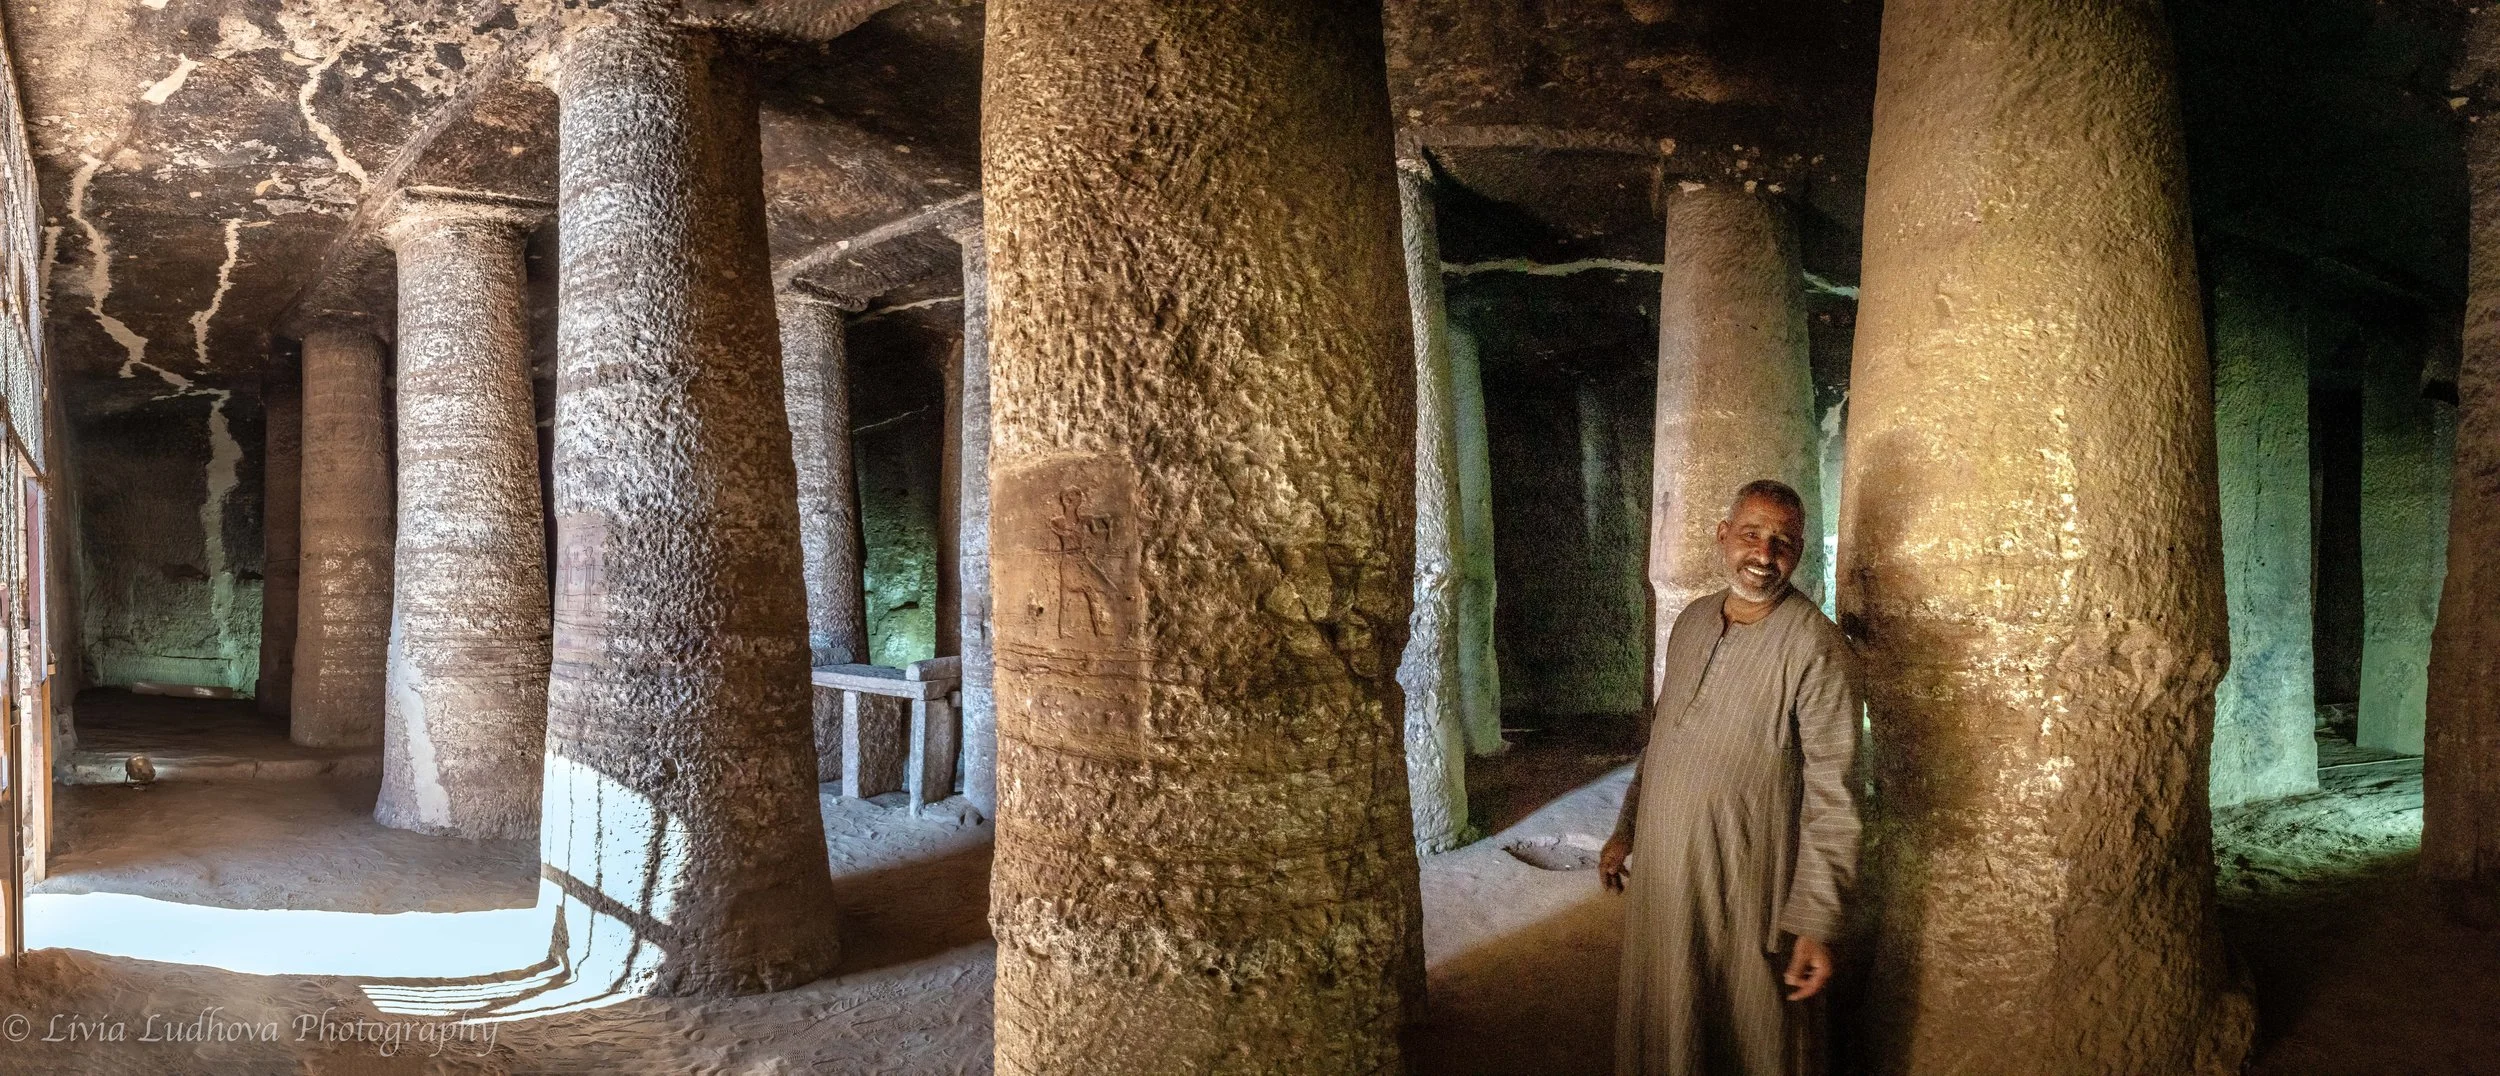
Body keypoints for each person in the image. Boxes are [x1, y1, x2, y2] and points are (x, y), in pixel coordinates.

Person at [1600, 479, 1862, 1075]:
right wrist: (1627, 828)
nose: (1764, 555)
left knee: (1748, 1024)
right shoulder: (1693, 621)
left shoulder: (1817, 649)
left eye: (1783, 543)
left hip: (1745, 883)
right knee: (1664, 1009)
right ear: (1723, 536)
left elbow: (1836, 796)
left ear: (1799, 553)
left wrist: (1817, 921)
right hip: (1665, 875)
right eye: (1751, 534)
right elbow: (1664, 738)